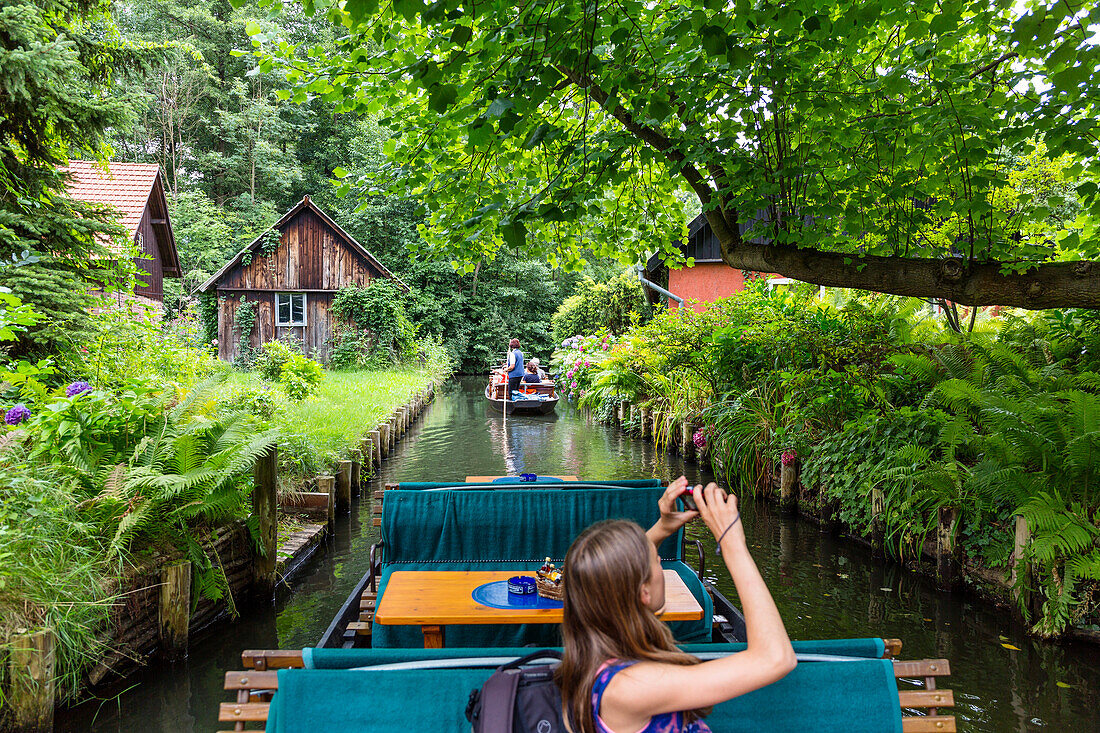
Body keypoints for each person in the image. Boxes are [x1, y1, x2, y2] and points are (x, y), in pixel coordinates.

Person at [557, 477, 796, 733]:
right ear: (642, 593)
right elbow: (776, 658)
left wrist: (662, 527)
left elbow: (620, 575)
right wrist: (732, 544)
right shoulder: (631, 686)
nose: (660, 558)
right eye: (656, 562)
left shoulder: (595, 658)